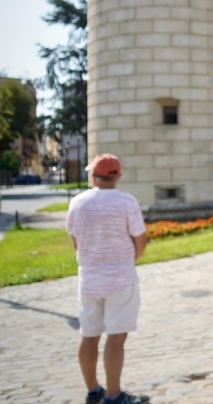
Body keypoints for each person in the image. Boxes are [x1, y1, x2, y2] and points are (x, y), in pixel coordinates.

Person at [66, 154, 150, 404]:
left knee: (89, 335)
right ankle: (114, 396)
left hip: (89, 279)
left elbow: (75, 241)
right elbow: (140, 238)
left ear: (93, 174)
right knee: (116, 336)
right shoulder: (126, 201)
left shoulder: (77, 202)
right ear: (118, 175)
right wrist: (129, 260)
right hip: (121, 279)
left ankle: (93, 391)